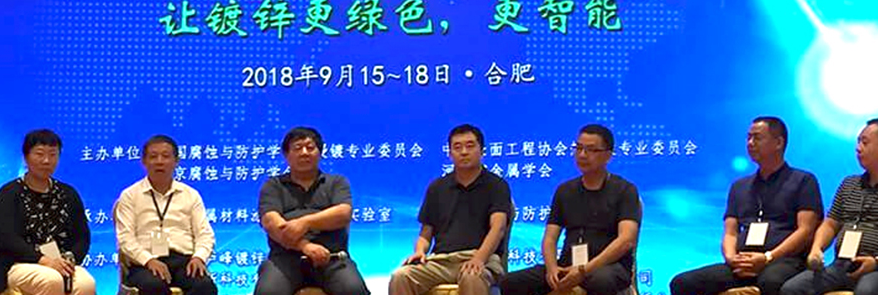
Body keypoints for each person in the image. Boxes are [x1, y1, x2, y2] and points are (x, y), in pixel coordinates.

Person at [670, 117, 822, 295]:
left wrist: (768, 257)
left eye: (757, 138)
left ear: (779, 143)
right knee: (682, 283)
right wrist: (731, 258)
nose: (750, 143)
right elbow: (730, 232)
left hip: (784, 260)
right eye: (748, 138)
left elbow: (806, 230)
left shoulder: (803, 181)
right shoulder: (739, 186)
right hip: (742, 262)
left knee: (771, 282)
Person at [781, 118, 878, 295]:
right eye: (858, 142)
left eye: (864, 142)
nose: (858, 148)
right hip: (843, 264)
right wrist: (817, 248)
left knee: (866, 292)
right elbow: (830, 223)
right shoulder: (849, 184)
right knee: (792, 289)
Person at [500, 124, 641, 295]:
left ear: (608, 155)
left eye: (591, 150)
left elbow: (626, 240)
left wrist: (583, 270)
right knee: (510, 282)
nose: (582, 155)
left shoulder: (625, 190)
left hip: (608, 266)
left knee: (601, 281)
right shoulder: (565, 190)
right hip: (567, 265)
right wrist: (552, 268)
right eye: (579, 148)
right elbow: (550, 238)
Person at [390, 124, 513, 295]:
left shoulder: (496, 185)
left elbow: (498, 228)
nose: (464, 152)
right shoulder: (437, 187)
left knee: (472, 276)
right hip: (441, 261)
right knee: (401, 276)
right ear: (449, 153)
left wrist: (479, 259)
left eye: (470, 146)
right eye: (457, 147)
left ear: (482, 151)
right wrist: (419, 251)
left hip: (480, 258)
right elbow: (426, 233)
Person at [254, 126, 369, 295]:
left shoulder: (336, 182)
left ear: (320, 153)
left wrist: (305, 223)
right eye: (297, 148)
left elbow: (343, 213)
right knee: (268, 292)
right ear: (286, 155)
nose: (304, 153)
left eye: (310, 147)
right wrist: (306, 246)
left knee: (353, 290)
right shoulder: (273, 185)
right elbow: (272, 223)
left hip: (332, 258)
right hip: (284, 259)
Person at [0, 129, 95, 295]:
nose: (46, 161)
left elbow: (82, 237)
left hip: (61, 263)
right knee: (51, 281)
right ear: (26, 157)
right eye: (39, 154)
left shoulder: (68, 193)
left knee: (86, 284)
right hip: (18, 264)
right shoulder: (9, 193)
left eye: (53, 155)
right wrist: (45, 261)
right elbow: (8, 239)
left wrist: (69, 259)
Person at [115, 134, 217, 295]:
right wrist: (148, 260)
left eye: (165, 156)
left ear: (176, 161)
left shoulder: (190, 195)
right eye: (153, 156)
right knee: (153, 286)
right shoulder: (130, 196)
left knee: (204, 286)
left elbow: (205, 234)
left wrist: (199, 257)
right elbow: (125, 238)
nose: (159, 161)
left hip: (184, 261)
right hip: (144, 263)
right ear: (144, 161)